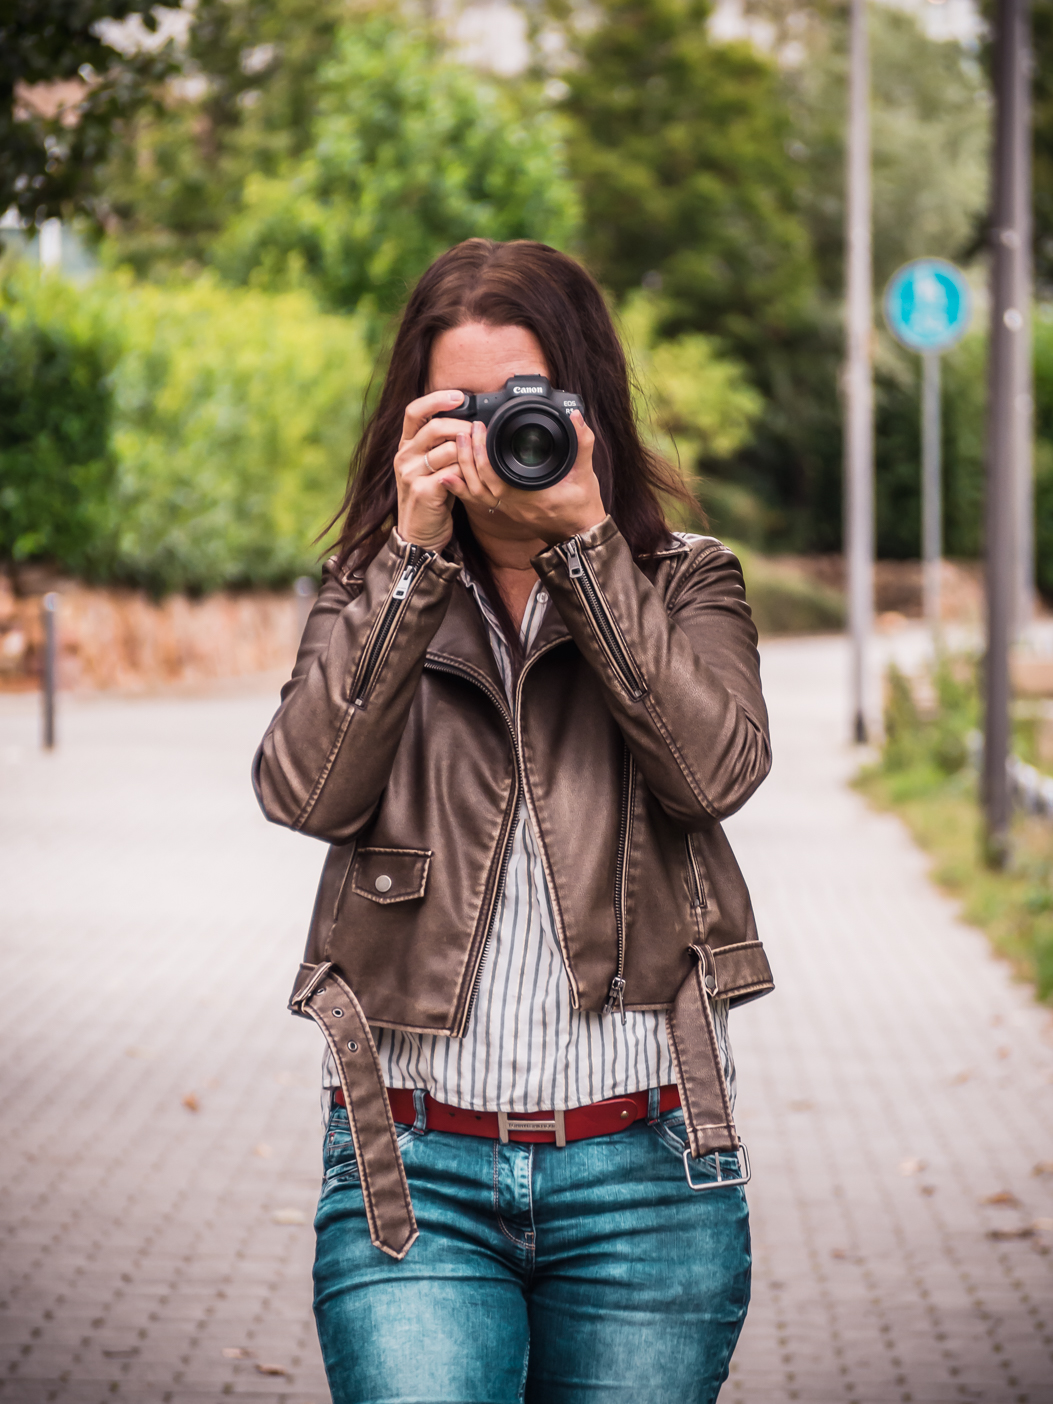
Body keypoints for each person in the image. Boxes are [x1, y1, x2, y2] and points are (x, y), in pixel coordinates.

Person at [253, 238, 773, 1404]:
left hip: (649, 1175)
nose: (497, 437)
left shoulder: (686, 580)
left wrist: (588, 549)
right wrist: (410, 564)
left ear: (587, 409)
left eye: (523, 404)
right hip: (412, 1173)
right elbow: (305, 793)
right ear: (410, 421)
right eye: (461, 409)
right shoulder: (367, 587)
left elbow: (714, 776)